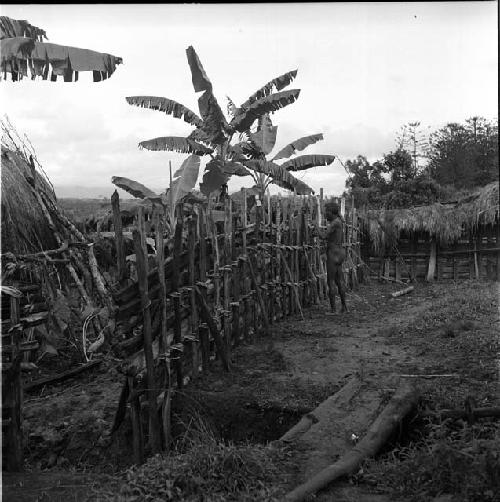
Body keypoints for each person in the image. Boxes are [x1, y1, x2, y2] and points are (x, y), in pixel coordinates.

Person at [320, 202, 348, 314]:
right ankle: (344, 307)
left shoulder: (335, 222)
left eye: (326, 212)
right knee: (339, 280)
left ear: (332, 213)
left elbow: (323, 236)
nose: (325, 214)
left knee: (330, 281)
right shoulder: (339, 221)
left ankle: (333, 309)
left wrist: (315, 227)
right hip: (340, 253)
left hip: (333, 253)